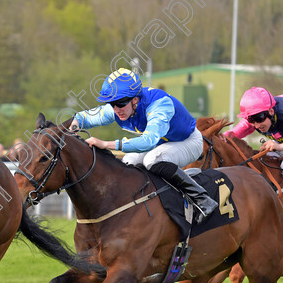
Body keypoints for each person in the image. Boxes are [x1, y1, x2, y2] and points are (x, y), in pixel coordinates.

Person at [70, 67, 218, 224]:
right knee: (128, 162)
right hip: (162, 142)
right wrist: (72, 126)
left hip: (188, 142)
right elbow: (84, 117)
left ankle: (203, 199)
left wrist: (105, 144)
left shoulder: (159, 105)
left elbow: (148, 142)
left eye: (120, 103)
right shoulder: (120, 107)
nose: (116, 109)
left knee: (152, 160)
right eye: (112, 103)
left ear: (135, 99)